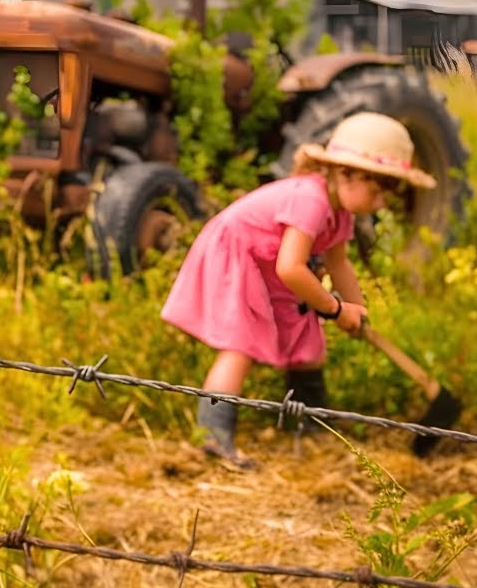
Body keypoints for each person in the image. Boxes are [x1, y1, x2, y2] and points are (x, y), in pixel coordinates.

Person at [159, 112, 435, 468]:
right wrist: (335, 310)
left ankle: (311, 426)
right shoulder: (312, 199)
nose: (382, 202)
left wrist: (355, 308)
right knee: (241, 344)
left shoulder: (342, 211)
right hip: (240, 257)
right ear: (347, 174)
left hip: (270, 265)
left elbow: (338, 262)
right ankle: (213, 438)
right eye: (379, 189)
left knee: (306, 340)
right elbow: (290, 268)